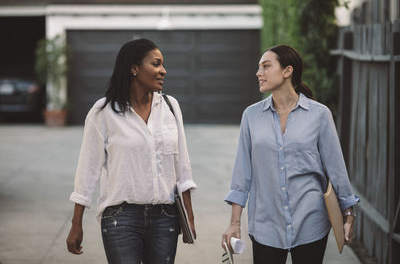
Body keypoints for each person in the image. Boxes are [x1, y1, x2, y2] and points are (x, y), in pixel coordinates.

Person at [221, 45, 359, 264]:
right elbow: (241, 174)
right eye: (259, 67)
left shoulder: (320, 115)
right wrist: (234, 223)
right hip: (266, 225)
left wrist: (348, 214)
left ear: (287, 71)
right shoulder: (251, 116)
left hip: (310, 222)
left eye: (266, 66)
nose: (259, 73)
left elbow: (336, 168)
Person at [66, 38, 197, 264]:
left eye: (163, 65)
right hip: (120, 218)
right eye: (156, 64)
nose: (163, 71)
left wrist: (189, 217)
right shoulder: (103, 112)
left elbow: (182, 168)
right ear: (134, 68)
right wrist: (76, 224)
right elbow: (87, 170)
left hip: (165, 217)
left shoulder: (170, 107)